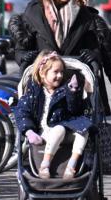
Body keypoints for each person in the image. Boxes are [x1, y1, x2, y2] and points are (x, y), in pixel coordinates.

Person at [9, 0, 111, 200]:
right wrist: (25, 57)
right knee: (43, 143)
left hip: (79, 93)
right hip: (43, 91)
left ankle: (73, 199)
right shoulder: (32, 15)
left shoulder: (89, 18)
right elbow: (19, 51)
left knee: (80, 143)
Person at [14, 51, 93, 180]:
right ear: (42, 73)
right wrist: (29, 131)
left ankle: (71, 165)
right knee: (58, 129)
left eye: (62, 72)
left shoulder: (65, 88)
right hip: (44, 132)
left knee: (84, 130)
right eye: (55, 72)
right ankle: (45, 165)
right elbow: (22, 111)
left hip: (66, 131)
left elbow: (74, 110)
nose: (60, 75)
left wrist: (73, 92)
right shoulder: (33, 92)